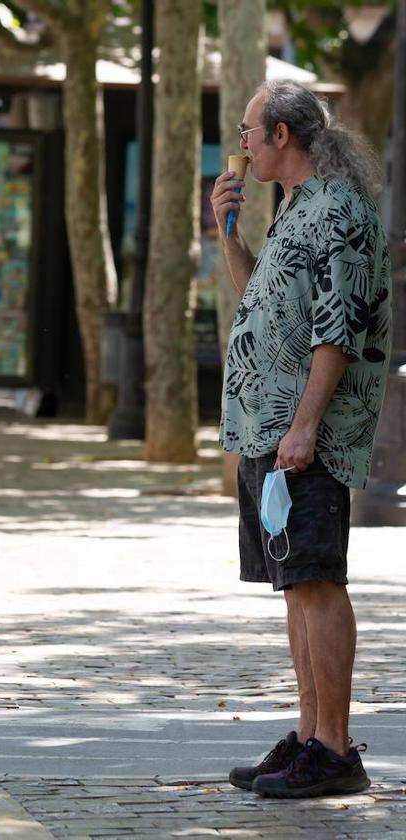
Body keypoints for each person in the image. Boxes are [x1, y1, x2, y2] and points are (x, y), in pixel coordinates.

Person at [212, 80, 390, 799]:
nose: (243, 141)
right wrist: (226, 236)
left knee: (318, 583)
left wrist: (306, 426)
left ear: (282, 134)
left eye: (250, 129)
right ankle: (310, 734)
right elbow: (261, 298)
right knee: (295, 587)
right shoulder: (293, 209)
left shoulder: (340, 212)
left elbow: (336, 330)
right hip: (267, 431)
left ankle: (336, 749)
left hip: (302, 437)